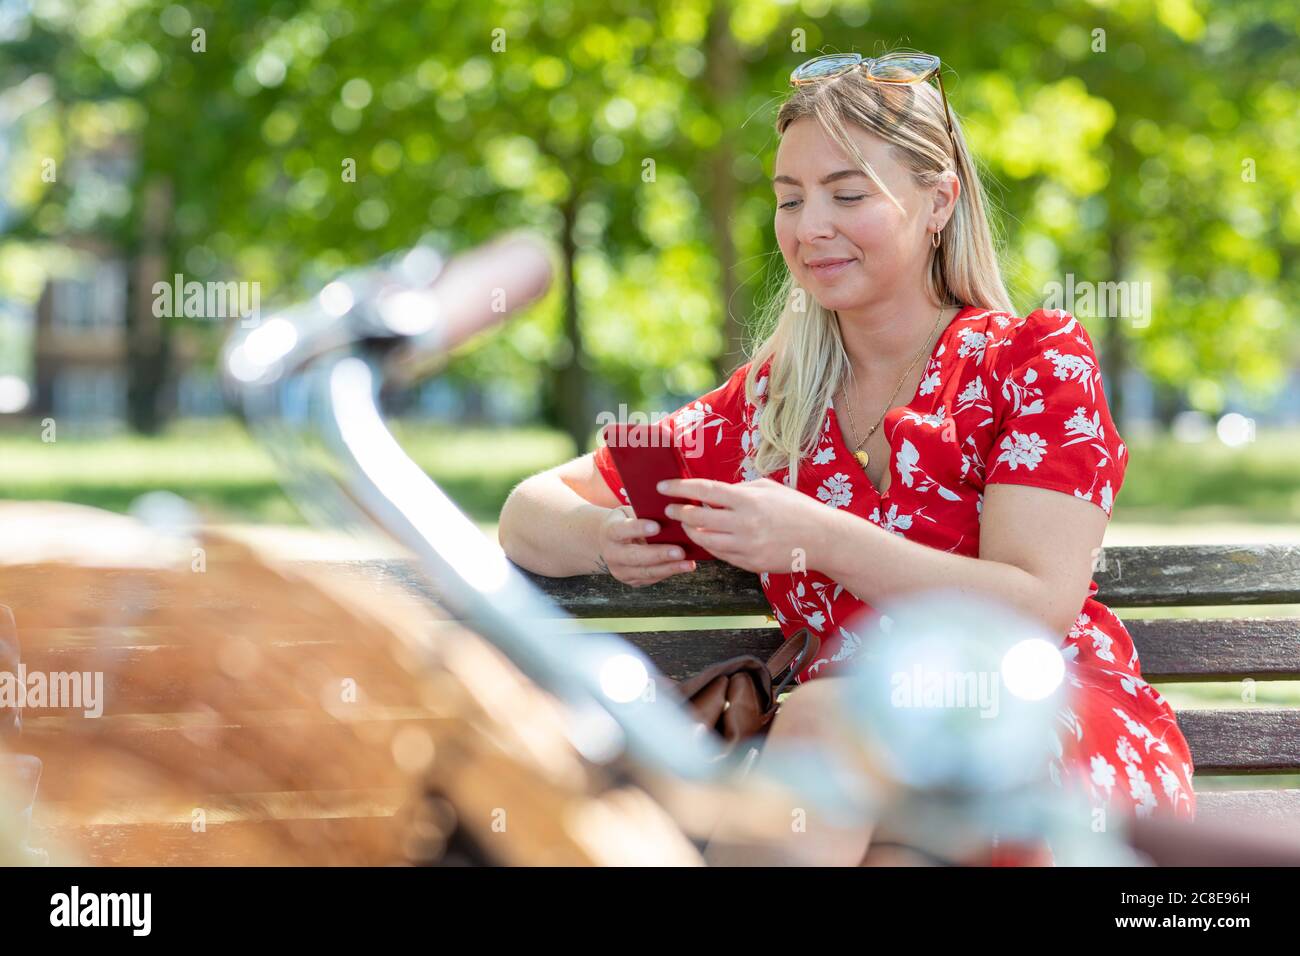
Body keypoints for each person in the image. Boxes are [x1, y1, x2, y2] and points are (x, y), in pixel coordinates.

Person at [497, 50, 1194, 865]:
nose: (809, 226)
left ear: (939, 200)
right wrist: (606, 538)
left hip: (1038, 723)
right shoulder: (770, 404)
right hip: (864, 784)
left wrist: (817, 536)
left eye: (848, 194)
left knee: (831, 729)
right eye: (789, 200)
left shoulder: (1029, 362)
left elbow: (1034, 607)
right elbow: (526, 512)